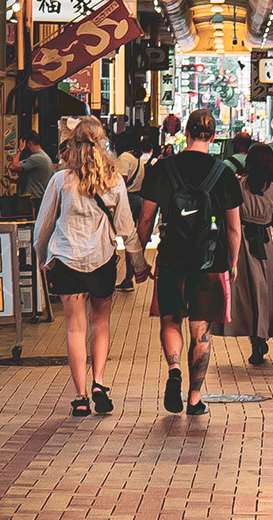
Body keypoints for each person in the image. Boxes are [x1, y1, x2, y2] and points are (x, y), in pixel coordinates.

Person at [137, 105, 243, 416]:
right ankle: (195, 399)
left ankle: (173, 371)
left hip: (171, 259)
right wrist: (233, 263)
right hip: (211, 263)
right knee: (201, 329)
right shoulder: (224, 173)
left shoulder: (163, 168)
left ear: (186, 133)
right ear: (213, 136)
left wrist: (138, 257)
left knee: (171, 319)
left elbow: (146, 219)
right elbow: (234, 227)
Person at [34, 116, 137, 418]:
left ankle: (80, 397)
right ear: (103, 141)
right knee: (100, 324)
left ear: (73, 143)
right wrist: (138, 261)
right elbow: (125, 226)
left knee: (74, 329)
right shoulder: (114, 180)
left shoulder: (60, 180)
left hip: (67, 260)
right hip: (102, 260)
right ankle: (99, 384)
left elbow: (44, 225)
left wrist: (42, 256)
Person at [231, 147, 273, 366]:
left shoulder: (238, 186)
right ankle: (262, 334)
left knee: (248, 294)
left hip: (242, 244)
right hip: (265, 246)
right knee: (266, 293)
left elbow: (230, 217)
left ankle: (255, 339)